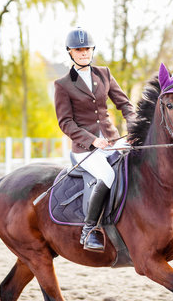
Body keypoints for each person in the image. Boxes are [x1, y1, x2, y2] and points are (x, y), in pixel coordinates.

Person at [54, 27, 136, 252]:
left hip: (111, 140)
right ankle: (89, 230)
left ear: (92, 50)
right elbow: (65, 123)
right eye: (79, 50)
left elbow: (125, 104)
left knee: (138, 162)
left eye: (87, 49)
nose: (84, 53)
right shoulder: (62, 85)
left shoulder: (104, 74)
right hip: (85, 149)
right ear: (70, 52)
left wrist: (134, 125)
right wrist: (91, 140)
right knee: (108, 174)